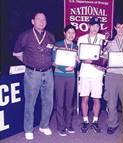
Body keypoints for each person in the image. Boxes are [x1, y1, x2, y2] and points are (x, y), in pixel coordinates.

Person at [12, 12, 55, 140]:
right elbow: (16, 53)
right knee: (30, 102)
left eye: (44, 19)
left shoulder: (51, 36)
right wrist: (28, 63)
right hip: (32, 73)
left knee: (48, 101)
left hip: (48, 72)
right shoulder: (25, 35)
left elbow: (52, 54)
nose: (42, 21)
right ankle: (28, 129)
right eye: (38, 19)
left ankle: (44, 125)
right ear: (32, 21)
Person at [103, 18, 123, 136]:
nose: (121, 29)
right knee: (111, 102)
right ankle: (112, 123)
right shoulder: (109, 41)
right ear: (115, 28)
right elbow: (104, 57)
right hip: (111, 74)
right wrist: (105, 53)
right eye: (118, 27)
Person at [77, 16, 105, 133]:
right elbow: (79, 57)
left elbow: (105, 57)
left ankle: (95, 121)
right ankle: (84, 120)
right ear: (89, 25)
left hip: (98, 73)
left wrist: (97, 62)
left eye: (97, 26)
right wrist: (85, 60)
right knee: (84, 97)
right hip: (84, 72)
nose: (95, 28)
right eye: (93, 25)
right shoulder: (81, 39)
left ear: (99, 27)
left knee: (97, 98)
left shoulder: (103, 39)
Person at [53, 24, 78, 136]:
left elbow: (78, 61)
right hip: (59, 75)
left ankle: (68, 124)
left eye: (73, 33)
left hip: (71, 76)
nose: (71, 35)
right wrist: (64, 68)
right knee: (60, 102)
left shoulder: (76, 47)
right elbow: (53, 61)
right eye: (69, 32)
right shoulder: (58, 44)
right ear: (64, 33)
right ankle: (61, 126)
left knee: (69, 102)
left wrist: (75, 65)